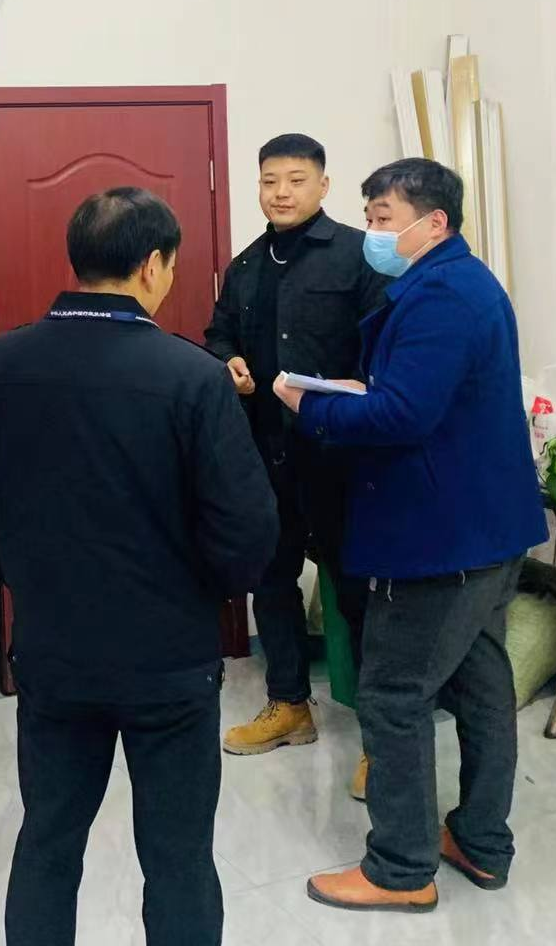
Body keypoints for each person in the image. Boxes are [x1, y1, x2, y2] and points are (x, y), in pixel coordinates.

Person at [0, 187, 280, 946]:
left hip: (54, 650)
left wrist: (22, 570)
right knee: (179, 856)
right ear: (153, 265)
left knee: (48, 841)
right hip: (170, 658)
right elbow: (247, 527)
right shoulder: (193, 377)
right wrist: (205, 592)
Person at [271, 157, 547, 915]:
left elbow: (403, 416)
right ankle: (480, 842)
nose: (373, 232)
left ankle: (400, 868)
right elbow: (421, 397)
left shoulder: (442, 296)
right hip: (483, 527)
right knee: (481, 686)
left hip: (439, 538)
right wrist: (364, 391)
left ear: (435, 222)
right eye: (369, 217)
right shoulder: (454, 282)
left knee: (394, 693)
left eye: (384, 218)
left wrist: (311, 406)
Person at [205, 134, 384, 780]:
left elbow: (385, 346)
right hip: (266, 453)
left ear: (323, 185)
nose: (281, 192)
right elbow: (218, 333)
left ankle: (381, 741)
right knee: (271, 580)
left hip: (339, 455)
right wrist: (228, 360)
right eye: (269, 181)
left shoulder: (358, 256)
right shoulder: (246, 265)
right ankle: (288, 705)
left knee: (356, 592)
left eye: (296, 180)